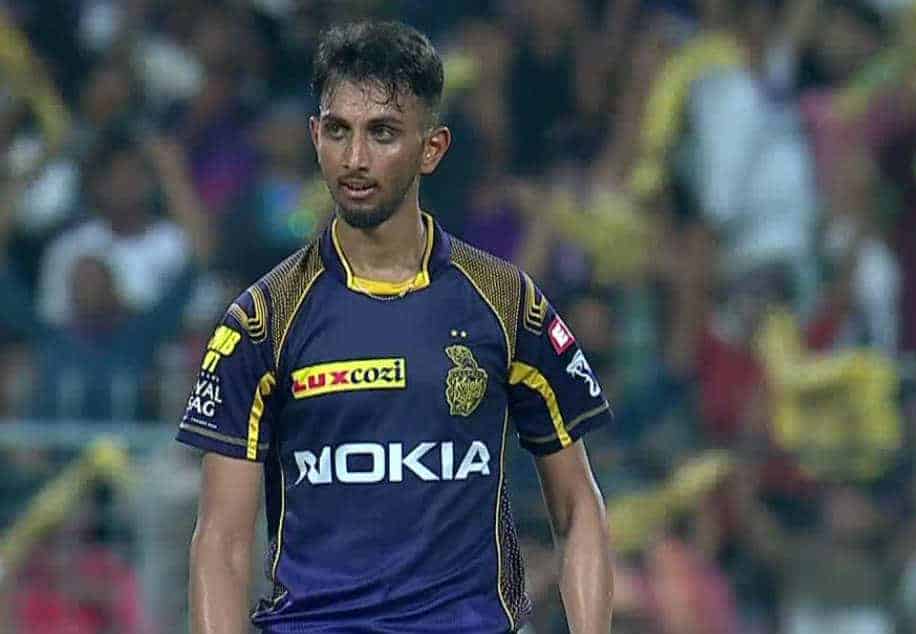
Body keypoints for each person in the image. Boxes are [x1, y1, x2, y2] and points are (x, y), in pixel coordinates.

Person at [176, 21, 613, 634]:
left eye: (382, 132)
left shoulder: (505, 301)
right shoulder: (260, 321)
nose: (355, 158)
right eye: (338, 131)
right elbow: (221, 543)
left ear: (432, 148)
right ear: (315, 136)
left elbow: (578, 507)